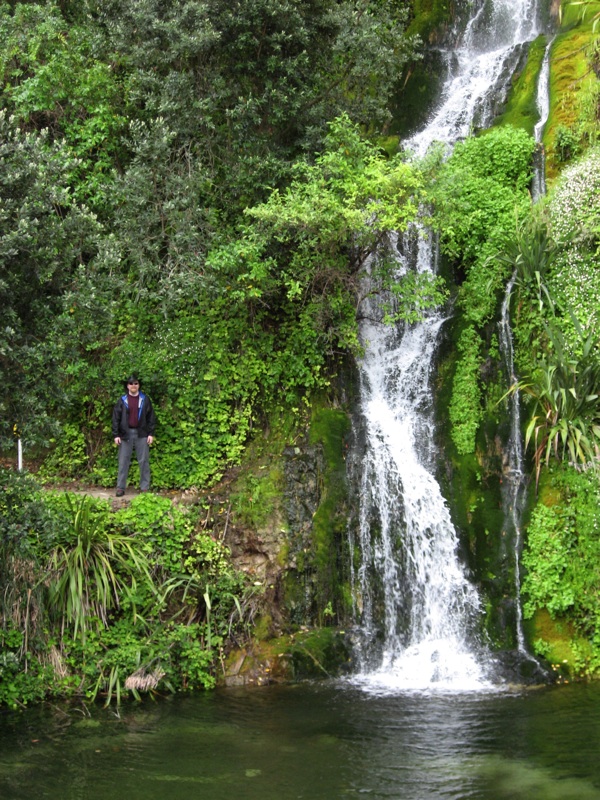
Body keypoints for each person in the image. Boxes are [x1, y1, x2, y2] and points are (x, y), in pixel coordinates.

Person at [112, 374, 156, 497]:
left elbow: (151, 417)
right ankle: (120, 487)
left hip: (142, 434)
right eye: (131, 383)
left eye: (135, 383)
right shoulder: (122, 400)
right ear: (127, 386)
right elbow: (116, 418)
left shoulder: (145, 399)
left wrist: (151, 433)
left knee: (144, 461)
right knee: (123, 461)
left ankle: (145, 487)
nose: (133, 386)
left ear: (138, 385)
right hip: (125, 435)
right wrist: (116, 435)